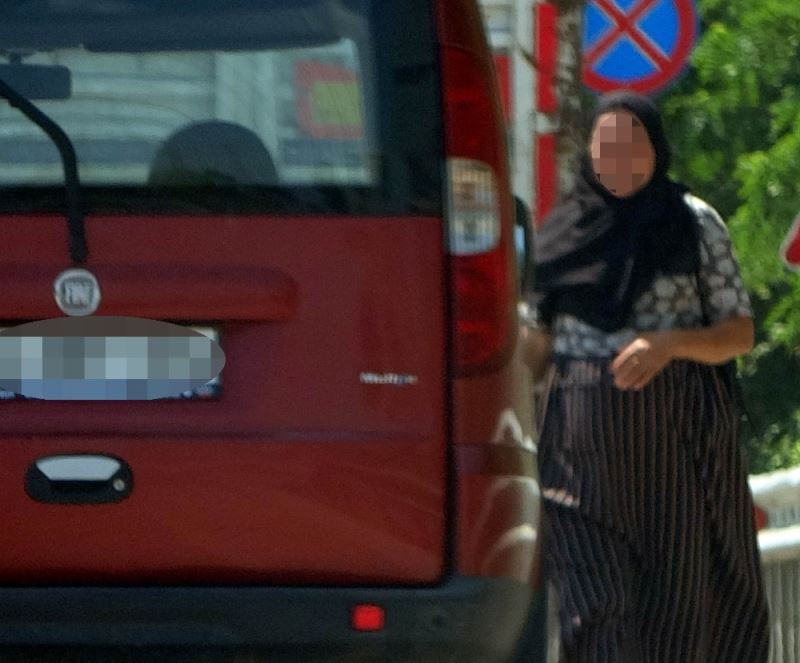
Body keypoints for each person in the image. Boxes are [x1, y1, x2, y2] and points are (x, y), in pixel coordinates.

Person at [521, 90, 770, 662]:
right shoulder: (562, 230)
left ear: (656, 150)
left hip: (675, 447)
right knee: (591, 613)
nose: (619, 158)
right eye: (606, 146)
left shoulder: (694, 223)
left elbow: (738, 333)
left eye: (632, 145)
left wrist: (669, 345)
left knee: (677, 612)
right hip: (577, 452)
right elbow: (537, 339)